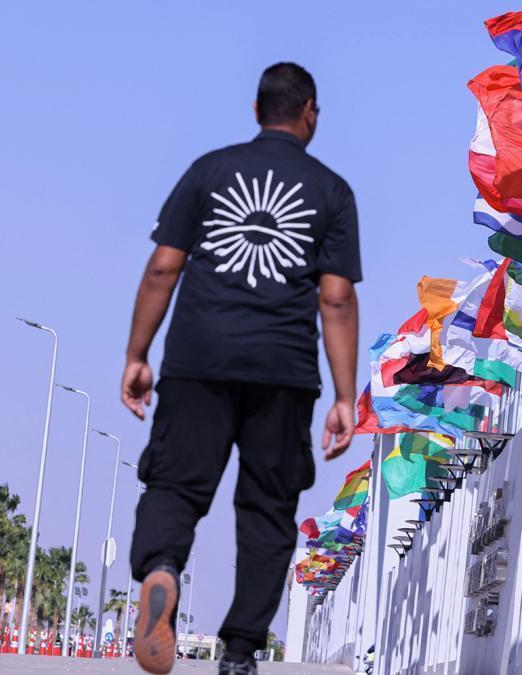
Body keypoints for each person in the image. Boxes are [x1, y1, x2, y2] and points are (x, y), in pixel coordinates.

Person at [120, 62, 361, 675]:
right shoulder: (332, 192)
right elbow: (334, 298)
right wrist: (342, 394)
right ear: (310, 111)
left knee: (175, 485)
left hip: (199, 358)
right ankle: (240, 649)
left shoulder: (209, 171)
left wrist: (137, 355)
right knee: (268, 508)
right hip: (283, 369)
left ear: (257, 112)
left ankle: (163, 570)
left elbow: (163, 268)